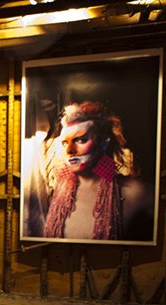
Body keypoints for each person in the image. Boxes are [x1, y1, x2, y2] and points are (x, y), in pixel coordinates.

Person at [42, 101, 152, 240]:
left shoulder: (135, 192)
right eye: (65, 142)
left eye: (81, 140)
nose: (69, 150)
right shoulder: (60, 190)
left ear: (103, 143)